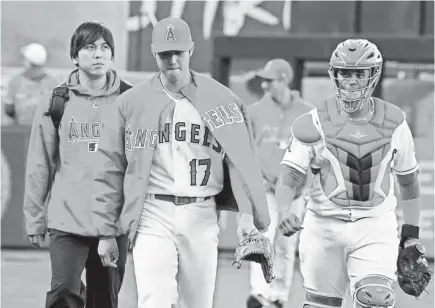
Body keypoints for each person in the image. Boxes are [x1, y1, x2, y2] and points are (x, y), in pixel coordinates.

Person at [91, 16, 271, 308]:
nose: (172, 59)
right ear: (154, 53)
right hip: (152, 212)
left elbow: (238, 161)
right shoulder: (131, 102)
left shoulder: (220, 98)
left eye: (178, 52)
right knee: (153, 301)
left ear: (191, 50)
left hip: (201, 213)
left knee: (198, 303)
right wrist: (106, 231)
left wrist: (247, 217)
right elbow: (110, 169)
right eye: (165, 53)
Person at [276, 38, 429, 308]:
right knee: (321, 305)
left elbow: (409, 181)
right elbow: (290, 173)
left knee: (376, 299)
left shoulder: (395, 122)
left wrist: (411, 234)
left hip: (374, 224)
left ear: (374, 74)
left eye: (359, 73)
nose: (351, 80)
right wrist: (285, 208)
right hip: (323, 225)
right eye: (345, 72)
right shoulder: (313, 121)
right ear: (334, 74)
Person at [23, 21, 131, 308]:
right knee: (63, 296)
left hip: (113, 223)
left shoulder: (130, 101)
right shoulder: (56, 100)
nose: (99, 54)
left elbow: (140, 166)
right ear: (74, 56)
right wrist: (34, 217)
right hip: (66, 222)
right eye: (90, 47)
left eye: (105, 47)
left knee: (104, 301)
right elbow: (40, 163)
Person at [246, 59, 313, 308]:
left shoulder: (306, 112)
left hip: (294, 192)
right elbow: (245, 150)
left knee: (286, 246)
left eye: (270, 80)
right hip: (266, 188)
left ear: (284, 80)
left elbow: (316, 152)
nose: (264, 85)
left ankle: (278, 297)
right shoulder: (254, 111)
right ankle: (258, 294)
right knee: (263, 240)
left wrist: (307, 187)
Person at [4, 43, 58, 125]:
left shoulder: (53, 84)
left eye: (24, 59)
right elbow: (8, 110)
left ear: (29, 63)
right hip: (24, 133)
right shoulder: (15, 82)